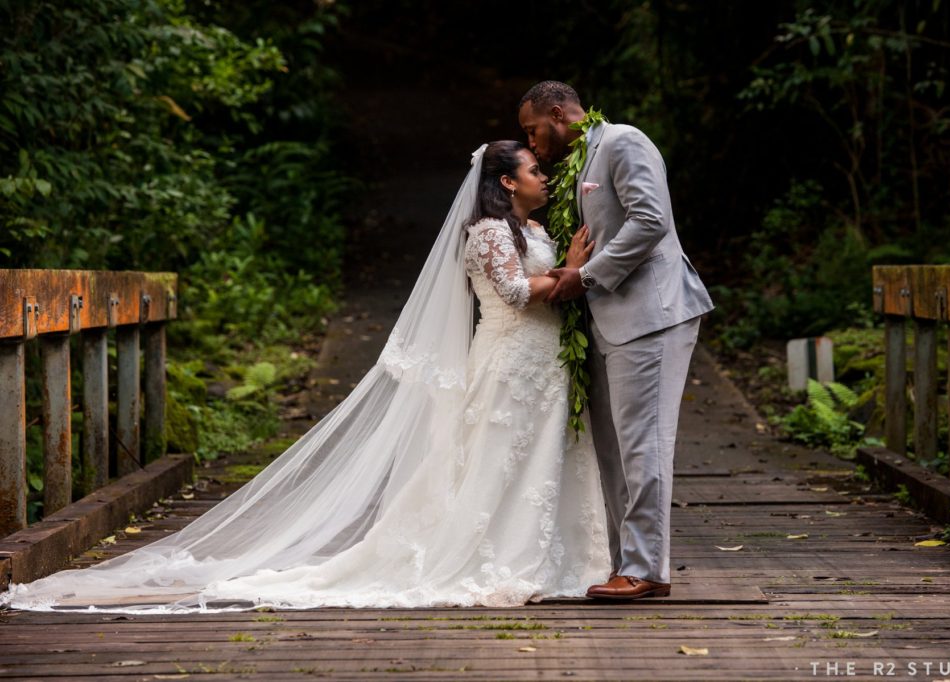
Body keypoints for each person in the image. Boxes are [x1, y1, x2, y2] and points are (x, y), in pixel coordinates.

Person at [1, 141, 610, 612]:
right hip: (508, 362)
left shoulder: (533, 230)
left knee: (536, 459)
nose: (543, 176)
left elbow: (542, 286)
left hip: (544, 362)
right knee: (496, 459)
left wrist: (568, 265)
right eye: (533, 169)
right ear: (507, 181)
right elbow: (511, 291)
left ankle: (545, 554)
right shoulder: (485, 234)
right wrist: (573, 272)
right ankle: (494, 557)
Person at [519, 81, 714, 600]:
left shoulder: (624, 142)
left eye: (533, 130)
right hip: (606, 320)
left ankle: (647, 569)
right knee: (612, 448)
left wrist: (584, 278)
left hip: (651, 313)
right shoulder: (581, 160)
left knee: (643, 442)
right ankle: (626, 563)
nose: (532, 143)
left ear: (559, 113)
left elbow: (652, 220)